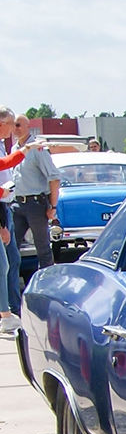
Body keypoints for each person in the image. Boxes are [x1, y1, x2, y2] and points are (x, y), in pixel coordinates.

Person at [8, 115, 62, 290]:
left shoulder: (38, 148)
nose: (15, 129)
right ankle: (11, 289)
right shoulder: (15, 148)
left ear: (27, 126)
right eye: (13, 125)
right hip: (17, 203)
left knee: (43, 248)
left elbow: (54, 178)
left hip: (35, 203)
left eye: (18, 125)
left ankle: (47, 288)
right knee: (10, 247)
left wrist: (53, 207)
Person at [0, 107, 23, 324]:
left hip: (6, 207)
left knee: (10, 261)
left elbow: (5, 164)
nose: (13, 129)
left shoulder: (2, 145)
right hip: (1, 210)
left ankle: (8, 310)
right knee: (5, 263)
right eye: (11, 124)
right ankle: (6, 313)